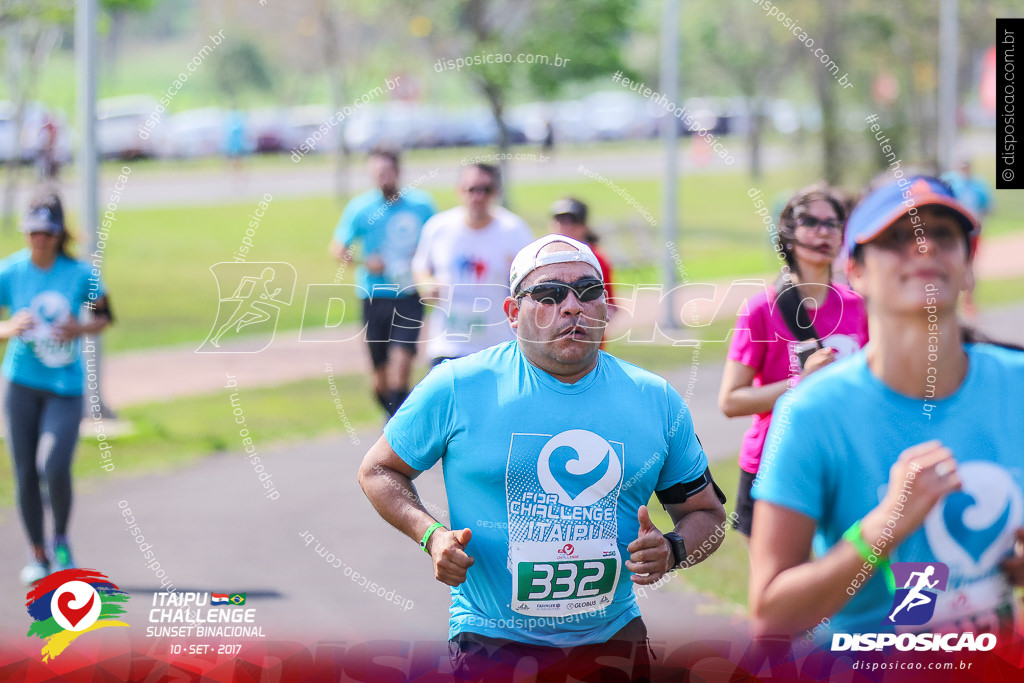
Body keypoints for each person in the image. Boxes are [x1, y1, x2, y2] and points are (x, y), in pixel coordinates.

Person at [359, 235, 727, 681]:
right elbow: (378, 470)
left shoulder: (655, 399)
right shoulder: (458, 386)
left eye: (589, 292)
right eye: (549, 295)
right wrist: (431, 534)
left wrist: (673, 549)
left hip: (614, 639)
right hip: (491, 639)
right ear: (514, 314)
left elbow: (707, 514)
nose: (572, 306)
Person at [749, 176, 1024, 640]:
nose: (924, 248)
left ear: (968, 264)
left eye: (943, 235)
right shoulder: (811, 412)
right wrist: (885, 525)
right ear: (854, 271)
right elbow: (770, 617)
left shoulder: (1015, 383)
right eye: (897, 238)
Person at [719, 184, 868, 539]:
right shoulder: (761, 309)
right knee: (777, 588)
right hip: (773, 463)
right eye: (810, 222)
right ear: (787, 235)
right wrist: (800, 384)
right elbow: (730, 400)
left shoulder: (862, 306)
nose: (823, 231)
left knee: (849, 585)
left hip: (844, 462)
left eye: (833, 224)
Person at [0, 191, 113, 584]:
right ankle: (37, 554)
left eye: (47, 233)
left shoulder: (81, 273)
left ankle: (61, 541)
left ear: (58, 234)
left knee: (53, 463)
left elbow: (105, 316)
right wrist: (9, 329)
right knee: (25, 472)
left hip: (65, 387)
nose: (39, 240)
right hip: (20, 385)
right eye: (32, 233)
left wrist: (79, 328)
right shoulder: (10, 271)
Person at [330, 148, 435, 416]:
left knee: (401, 367)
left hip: (409, 295)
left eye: (387, 172)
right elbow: (339, 248)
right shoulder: (361, 207)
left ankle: (397, 431)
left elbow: (438, 242)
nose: (383, 178)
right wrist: (365, 262)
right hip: (374, 295)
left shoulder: (421, 206)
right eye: (377, 173)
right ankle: (392, 416)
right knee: (380, 377)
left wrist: (422, 259)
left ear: (398, 172)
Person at [412, 163, 532, 367]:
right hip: (448, 346)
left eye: (485, 190)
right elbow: (421, 266)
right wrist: (426, 283)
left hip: (498, 346)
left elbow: (532, 279)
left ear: (496, 192)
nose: (478, 196)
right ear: (458, 190)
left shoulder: (514, 230)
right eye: (471, 189)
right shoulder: (439, 228)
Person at [549, 198, 618, 322]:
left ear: (584, 226)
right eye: (559, 220)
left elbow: (610, 306)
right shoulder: (544, 259)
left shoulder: (597, 259)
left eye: (572, 221)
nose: (565, 226)